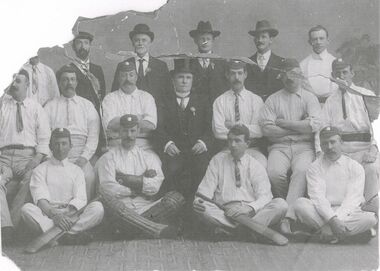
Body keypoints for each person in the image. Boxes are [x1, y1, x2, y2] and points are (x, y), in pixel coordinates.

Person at [193, 125, 287, 242]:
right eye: (230, 140)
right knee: (204, 209)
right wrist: (198, 202)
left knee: (281, 204)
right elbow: (204, 191)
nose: (232, 145)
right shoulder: (217, 160)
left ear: (247, 143)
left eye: (237, 141)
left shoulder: (255, 165)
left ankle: (233, 232)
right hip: (224, 213)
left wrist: (249, 208)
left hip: (250, 214)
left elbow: (265, 196)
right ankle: (248, 231)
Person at [259, 59, 321, 235]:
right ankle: (288, 207)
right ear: (281, 76)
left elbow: (313, 126)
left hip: (304, 147)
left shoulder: (309, 98)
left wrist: (284, 123)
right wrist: (297, 128)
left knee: (301, 171)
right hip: (279, 146)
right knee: (274, 172)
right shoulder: (274, 99)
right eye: (285, 74)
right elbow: (266, 129)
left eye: (293, 73)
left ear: (300, 75)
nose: (289, 78)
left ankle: (286, 218)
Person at [97, 114, 185, 238]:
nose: (129, 135)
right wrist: (140, 184)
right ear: (119, 132)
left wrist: (124, 179)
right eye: (125, 131)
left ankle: (129, 230)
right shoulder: (108, 158)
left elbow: (155, 187)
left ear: (138, 131)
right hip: (120, 208)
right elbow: (108, 187)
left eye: (132, 131)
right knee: (104, 196)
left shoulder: (149, 157)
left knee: (176, 198)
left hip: (147, 208)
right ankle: (152, 228)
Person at [293, 126, 377, 243]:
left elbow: (352, 200)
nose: (329, 147)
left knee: (370, 219)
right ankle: (346, 236)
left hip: (348, 212)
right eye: (325, 143)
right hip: (322, 212)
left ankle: (324, 233)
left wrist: (334, 222)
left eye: (333, 142)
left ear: (341, 142)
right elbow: (318, 198)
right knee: (300, 204)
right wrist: (332, 220)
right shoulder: (314, 167)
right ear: (321, 146)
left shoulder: (355, 167)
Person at [21, 128, 104, 245]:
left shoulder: (77, 171)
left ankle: (54, 235)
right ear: (50, 146)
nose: (60, 148)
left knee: (97, 208)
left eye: (64, 144)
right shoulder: (40, 170)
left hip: (70, 215)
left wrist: (66, 215)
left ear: (71, 146)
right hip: (49, 215)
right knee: (27, 209)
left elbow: (80, 199)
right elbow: (40, 199)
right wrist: (55, 215)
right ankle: (70, 235)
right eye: (57, 144)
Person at [319, 58, 379, 214]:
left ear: (352, 73)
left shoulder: (367, 95)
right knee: (335, 172)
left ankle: (372, 215)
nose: (341, 76)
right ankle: (349, 216)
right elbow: (322, 129)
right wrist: (320, 152)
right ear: (332, 76)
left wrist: (374, 149)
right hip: (342, 151)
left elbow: (377, 127)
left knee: (372, 169)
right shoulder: (330, 101)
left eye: (345, 72)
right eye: (337, 73)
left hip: (365, 148)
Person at [0, 70, 51, 245]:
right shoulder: (2, 105)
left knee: (32, 179)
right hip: (3, 157)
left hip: (27, 156)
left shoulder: (36, 107)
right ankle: (6, 228)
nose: (14, 84)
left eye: (18, 81)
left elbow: (44, 137)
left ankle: (12, 226)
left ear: (27, 85)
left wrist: (36, 159)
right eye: (11, 80)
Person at [155, 62, 213, 203]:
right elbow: (158, 127)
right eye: (181, 77)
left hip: (196, 150)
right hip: (174, 150)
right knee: (171, 170)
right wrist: (167, 144)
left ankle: (196, 210)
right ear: (173, 80)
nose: (184, 81)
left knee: (201, 169)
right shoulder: (163, 100)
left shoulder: (203, 100)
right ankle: (172, 209)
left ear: (192, 80)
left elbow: (210, 127)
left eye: (188, 77)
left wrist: (203, 142)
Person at [44, 65, 100, 200]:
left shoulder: (87, 105)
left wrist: (83, 158)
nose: (69, 83)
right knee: (52, 176)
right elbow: (44, 137)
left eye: (72, 79)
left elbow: (93, 137)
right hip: (57, 150)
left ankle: (82, 212)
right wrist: (52, 158)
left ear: (76, 82)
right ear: (59, 83)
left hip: (80, 152)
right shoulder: (50, 106)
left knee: (88, 176)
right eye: (65, 80)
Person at [212, 60, 266, 167]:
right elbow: (218, 132)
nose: (237, 78)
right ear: (227, 75)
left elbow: (260, 131)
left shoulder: (256, 100)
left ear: (245, 75)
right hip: (228, 149)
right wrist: (247, 130)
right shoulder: (220, 101)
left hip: (251, 149)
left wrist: (233, 125)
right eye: (233, 73)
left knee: (261, 165)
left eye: (240, 73)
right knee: (217, 166)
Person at [102, 61, 157, 151]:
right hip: (116, 145)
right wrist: (139, 119)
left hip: (143, 146)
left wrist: (120, 123)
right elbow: (110, 125)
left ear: (136, 77)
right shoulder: (110, 98)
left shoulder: (147, 97)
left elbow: (150, 126)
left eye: (131, 75)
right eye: (123, 75)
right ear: (118, 78)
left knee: (155, 164)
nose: (128, 79)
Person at [111, 24, 171, 102]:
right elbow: (115, 93)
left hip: (156, 111)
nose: (140, 43)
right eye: (137, 40)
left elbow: (168, 95)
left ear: (150, 43)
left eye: (144, 40)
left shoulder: (161, 66)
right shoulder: (122, 65)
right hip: (130, 110)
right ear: (132, 43)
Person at [174, 21, 229, 103]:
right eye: (202, 39)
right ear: (195, 40)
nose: (205, 42)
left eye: (208, 39)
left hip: (217, 109)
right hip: (194, 110)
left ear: (213, 40)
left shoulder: (222, 63)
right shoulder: (187, 62)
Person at [245, 20, 285, 101]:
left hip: (274, 109)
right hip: (253, 108)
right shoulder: (247, 62)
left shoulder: (281, 63)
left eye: (263, 37)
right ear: (254, 40)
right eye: (257, 37)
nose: (259, 40)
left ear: (270, 40)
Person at [70, 31, 106, 113]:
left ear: (90, 46)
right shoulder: (68, 69)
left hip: (95, 113)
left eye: (86, 43)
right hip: (76, 112)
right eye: (79, 43)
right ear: (73, 47)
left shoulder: (98, 69)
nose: (83, 46)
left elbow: (102, 94)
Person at [300, 25, 338, 104]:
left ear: (328, 40)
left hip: (333, 104)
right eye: (314, 39)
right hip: (310, 105)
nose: (318, 42)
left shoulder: (336, 62)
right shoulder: (303, 64)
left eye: (321, 38)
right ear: (310, 42)